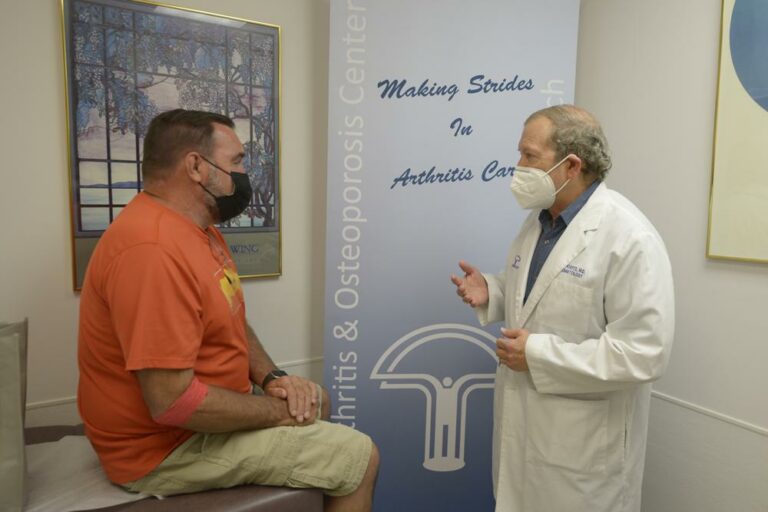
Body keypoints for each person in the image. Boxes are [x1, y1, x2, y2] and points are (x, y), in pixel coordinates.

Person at [78, 109, 379, 511]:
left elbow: (229, 317)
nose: (243, 174)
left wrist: (274, 379)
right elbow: (172, 402)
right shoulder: (152, 251)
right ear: (196, 167)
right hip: (163, 449)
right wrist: (276, 412)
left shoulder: (199, 229)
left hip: (193, 423)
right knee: (358, 457)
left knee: (316, 400)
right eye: (236, 161)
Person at [451, 105, 674, 512]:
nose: (518, 167)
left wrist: (536, 355)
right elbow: (542, 295)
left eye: (530, 156)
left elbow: (643, 355)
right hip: (525, 438)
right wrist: (494, 291)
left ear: (571, 165)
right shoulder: (539, 222)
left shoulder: (629, 238)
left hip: (583, 458)